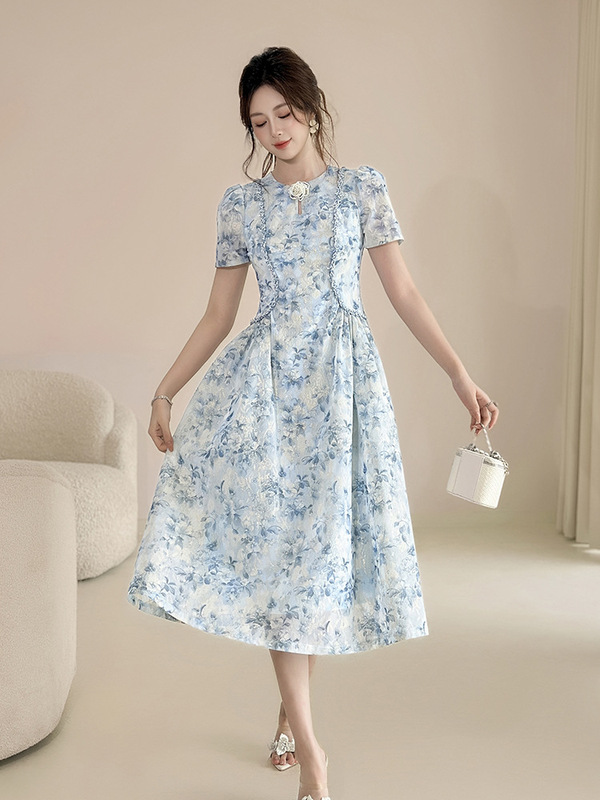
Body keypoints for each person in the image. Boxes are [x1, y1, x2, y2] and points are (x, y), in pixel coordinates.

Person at [127, 46, 499, 800]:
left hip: (341, 398)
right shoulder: (242, 206)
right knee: (280, 564)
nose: (274, 131)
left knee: (316, 564)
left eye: (285, 113)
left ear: (310, 107)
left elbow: (403, 294)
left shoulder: (361, 190)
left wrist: (460, 374)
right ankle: (314, 755)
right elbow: (218, 315)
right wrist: (165, 391)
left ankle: (287, 716)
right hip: (264, 400)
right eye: (258, 121)